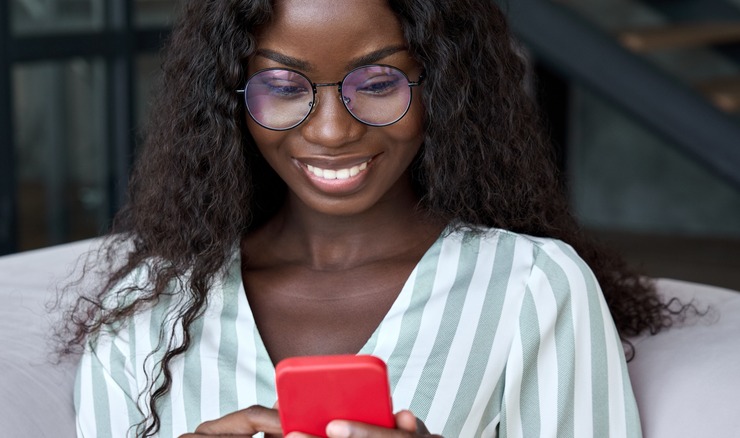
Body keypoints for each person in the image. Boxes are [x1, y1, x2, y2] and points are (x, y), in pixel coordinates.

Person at [62, 0, 680, 436]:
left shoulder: (533, 286)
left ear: (441, 84)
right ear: (228, 103)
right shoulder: (147, 311)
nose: (332, 130)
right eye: (281, 85)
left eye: (379, 82)